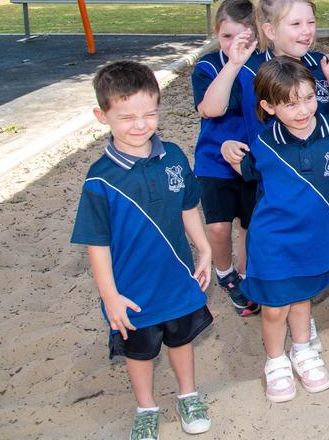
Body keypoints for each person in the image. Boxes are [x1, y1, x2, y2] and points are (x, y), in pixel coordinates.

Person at [71, 61, 213, 440]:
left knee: (181, 341)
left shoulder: (175, 158)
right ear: (102, 117)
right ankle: (147, 407)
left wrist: (204, 250)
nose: (140, 125)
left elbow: (187, 207)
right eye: (126, 117)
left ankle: (188, 395)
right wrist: (110, 296)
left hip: (178, 279)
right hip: (132, 292)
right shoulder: (101, 179)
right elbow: (96, 242)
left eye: (149, 113)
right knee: (140, 352)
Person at [221, 0, 329, 353]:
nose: (307, 30)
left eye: (311, 22)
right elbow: (218, 111)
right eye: (296, 23)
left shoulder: (318, 64)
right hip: (280, 184)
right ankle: (305, 325)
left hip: (324, 179)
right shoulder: (253, 69)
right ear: (269, 30)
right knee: (290, 256)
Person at [233, 57, 329, 402]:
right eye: (290, 104)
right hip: (273, 240)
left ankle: (304, 351)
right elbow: (247, 171)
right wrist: (226, 150)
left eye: (308, 98)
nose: (303, 109)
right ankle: (276, 361)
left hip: (315, 236)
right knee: (276, 306)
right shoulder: (264, 143)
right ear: (268, 106)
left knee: (301, 301)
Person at [191, 0, 259, 317]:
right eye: (226, 36)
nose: (233, 44)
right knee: (218, 227)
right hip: (214, 162)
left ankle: (244, 278)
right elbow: (212, 108)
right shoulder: (207, 67)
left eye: (242, 37)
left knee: (249, 225)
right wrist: (232, 65)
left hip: (252, 160)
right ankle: (225, 273)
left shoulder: (263, 67)